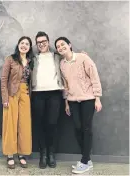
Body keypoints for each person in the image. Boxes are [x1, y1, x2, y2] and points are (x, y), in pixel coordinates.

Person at [54, 37, 102, 174]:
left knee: (86, 129)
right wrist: (67, 102)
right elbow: (66, 85)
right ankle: (87, 159)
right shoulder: (62, 64)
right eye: (58, 46)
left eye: (63, 44)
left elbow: (94, 77)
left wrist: (97, 99)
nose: (60, 47)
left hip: (88, 99)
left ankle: (85, 161)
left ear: (69, 45)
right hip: (73, 100)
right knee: (77, 128)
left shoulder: (83, 58)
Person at [31, 31, 64, 169]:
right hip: (37, 94)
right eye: (39, 42)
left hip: (54, 94)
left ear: (48, 42)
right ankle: (43, 154)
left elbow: (70, 56)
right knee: (40, 125)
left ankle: (51, 154)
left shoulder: (57, 56)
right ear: (36, 45)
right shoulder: (33, 58)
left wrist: (82, 55)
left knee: (52, 124)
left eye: (44, 41)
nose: (42, 44)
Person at [1, 36, 34, 169]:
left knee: (24, 125)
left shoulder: (32, 61)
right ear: (18, 45)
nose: (24, 45)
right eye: (22, 43)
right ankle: (10, 155)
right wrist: (5, 98)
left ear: (29, 47)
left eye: (27, 44)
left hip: (25, 93)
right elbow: (4, 79)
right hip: (12, 93)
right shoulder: (10, 59)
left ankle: (22, 154)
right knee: (10, 124)